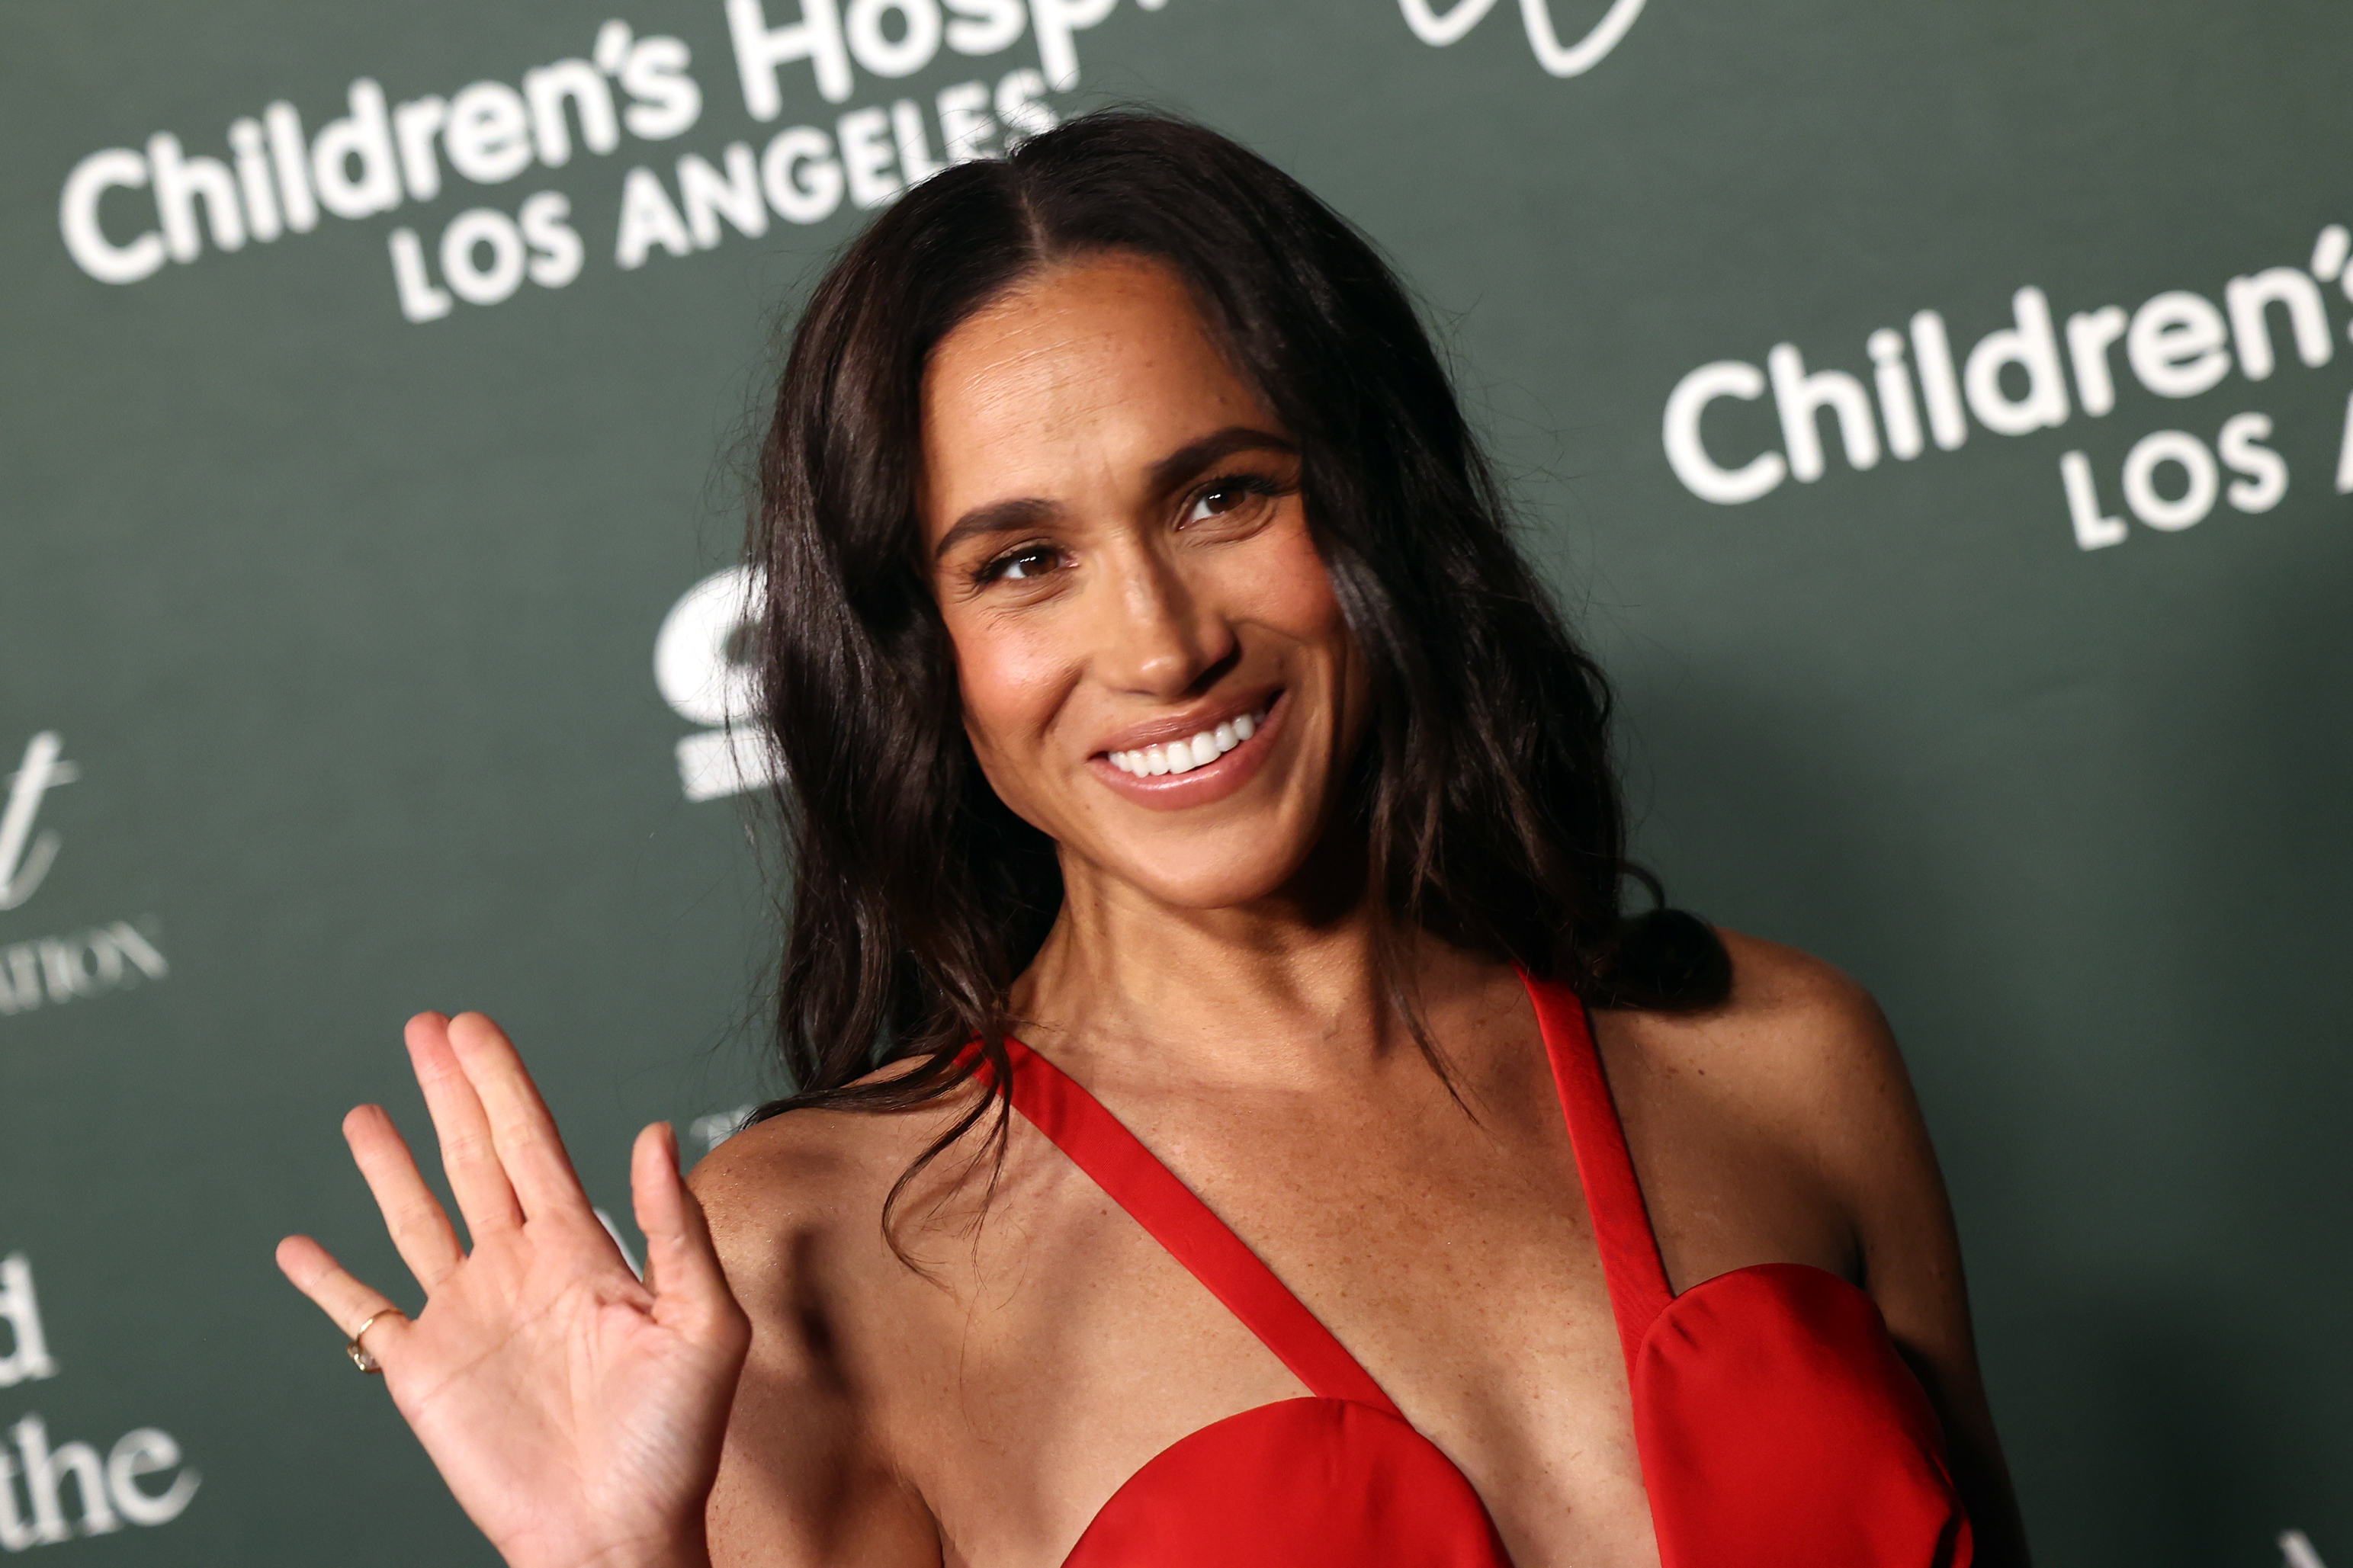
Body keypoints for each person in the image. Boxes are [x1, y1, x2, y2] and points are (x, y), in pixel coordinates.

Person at [277, 113, 2027, 1568]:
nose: (1162, 643)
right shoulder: (816, 1259)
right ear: (921, 654)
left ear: (1374, 512)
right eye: (1020, 562)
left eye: (1221, 496)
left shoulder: (1780, 1065)